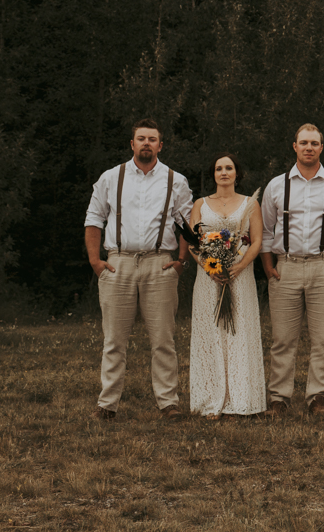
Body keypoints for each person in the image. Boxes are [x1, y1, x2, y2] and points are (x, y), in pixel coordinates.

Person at [84, 118, 193, 420]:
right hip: (118, 264)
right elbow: (94, 218)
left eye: (152, 139)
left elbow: (186, 225)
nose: (147, 143)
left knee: (163, 340)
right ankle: (107, 405)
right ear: (132, 144)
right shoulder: (111, 177)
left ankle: (168, 403)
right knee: (114, 340)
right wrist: (96, 261)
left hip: (160, 263)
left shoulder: (176, 180)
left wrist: (180, 262)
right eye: (141, 138)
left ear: (161, 144)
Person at [260, 124, 324, 415]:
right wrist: (268, 267)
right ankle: (279, 398)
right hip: (285, 268)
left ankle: (318, 397)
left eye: (315, 143)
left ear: (321, 148)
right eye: (304, 143)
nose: (309, 148)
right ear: (295, 146)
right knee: (283, 339)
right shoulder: (276, 185)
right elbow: (264, 231)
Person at [188, 153, 266, 418]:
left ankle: (242, 398)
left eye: (229, 168)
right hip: (209, 278)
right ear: (213, 174)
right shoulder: (200, 204)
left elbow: (256, 241)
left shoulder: (249, 204)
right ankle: (211, 398)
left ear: (236, 173)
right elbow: (192, 242)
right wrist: (210, 268)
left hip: (239, 275)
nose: (224, 172)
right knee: (210, 333)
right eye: (219, 168)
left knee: (239, 332)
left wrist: (240, 266)